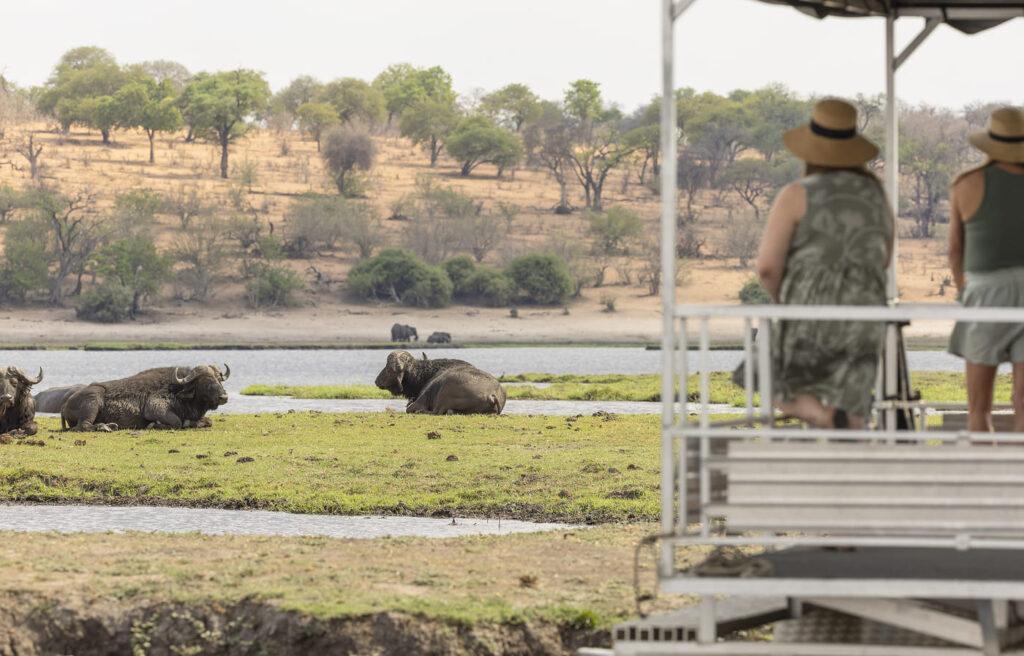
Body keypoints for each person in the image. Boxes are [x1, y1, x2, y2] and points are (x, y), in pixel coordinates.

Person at [739, 98, 894, 429]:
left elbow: (767, 266)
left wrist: (785, 302)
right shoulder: (876, 194)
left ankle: (819, 414)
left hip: (809, 310)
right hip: (866, 312)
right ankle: (850, 460)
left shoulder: (797, 193)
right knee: (853, 406)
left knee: (765, 374)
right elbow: (884, 258)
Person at [948, 106, 1024, 432]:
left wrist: (964, 289)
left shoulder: (966, 183)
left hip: (984, 293)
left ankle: (984, 476)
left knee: (979, 405)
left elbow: (954, 250)